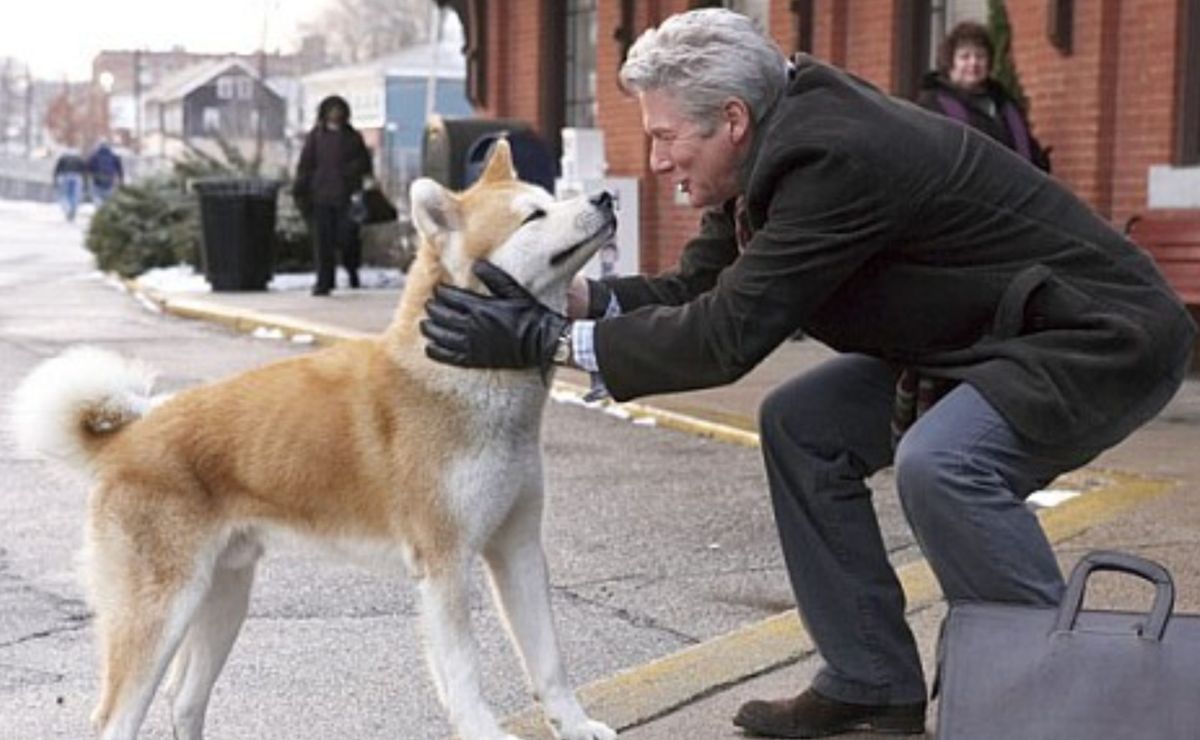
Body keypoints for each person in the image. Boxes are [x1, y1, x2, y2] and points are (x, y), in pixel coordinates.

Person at [419, 9, 1195, 738]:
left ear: (731, 120)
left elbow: (726, 336)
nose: (655, 164)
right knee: (802, 425)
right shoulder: (769, 144)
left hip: (1096, 336)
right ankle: (870, 678)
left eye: (664, 138)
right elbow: (699, 291)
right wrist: (569, 297)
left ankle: (1060, 695)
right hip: (987, 337)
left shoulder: (834, 157)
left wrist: (543, 340)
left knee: (944, 464)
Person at [917, 21, 1051, 172]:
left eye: (980, 56)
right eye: (965, 57)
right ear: (950, 62)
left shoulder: (1006, 104)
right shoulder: (932, 106)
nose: (973, 63)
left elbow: (1030, 151)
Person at [293, 95, 373, 296]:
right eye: (331, 110)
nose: (335, 114)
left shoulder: (353, 137)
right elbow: (305, 165)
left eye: (338, 110)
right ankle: (324, 282)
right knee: (322, 243)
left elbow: (365, 165)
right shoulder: (316, 137)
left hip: (346, 198)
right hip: (320, 197)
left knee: (348, 239)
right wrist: (301, 190)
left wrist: (350, 174)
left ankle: (352, 270)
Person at [52, 149, 88, 222]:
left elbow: (57, 170)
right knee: (75, 195)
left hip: (65, 176)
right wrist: (85, 183)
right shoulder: (79, 159)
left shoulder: (63, 158)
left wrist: (55, 181)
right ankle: (73, 209)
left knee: (64, 195)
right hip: (77, 178)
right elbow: (84, 171)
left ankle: (68, 209)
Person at [86, 141, 124, 207]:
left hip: (97, 182)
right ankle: (106, 212)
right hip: (109, 182)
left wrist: (90, 175)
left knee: (96, 197)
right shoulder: (114, 156)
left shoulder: (94, 156)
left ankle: (100, 209)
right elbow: (119, 169)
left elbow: (88, 168)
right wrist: (121, 179)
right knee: (109, 201)